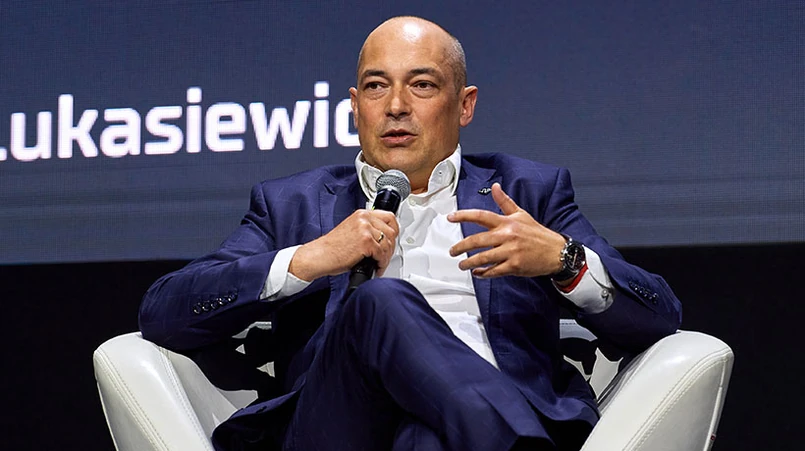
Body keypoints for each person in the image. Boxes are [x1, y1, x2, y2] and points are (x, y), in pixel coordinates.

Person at [139, 16, 682, 451]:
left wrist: (565, 260)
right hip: (339, 424)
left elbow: (659, 314)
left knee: (426, 436)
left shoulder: (527, 192)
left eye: (421, 85)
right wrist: (307, 258)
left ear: (464, 104)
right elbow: (163, 311)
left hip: (469, 425)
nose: (396, 106)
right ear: (355, 106)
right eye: (377, 87)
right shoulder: (293, 204)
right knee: (380, 301)